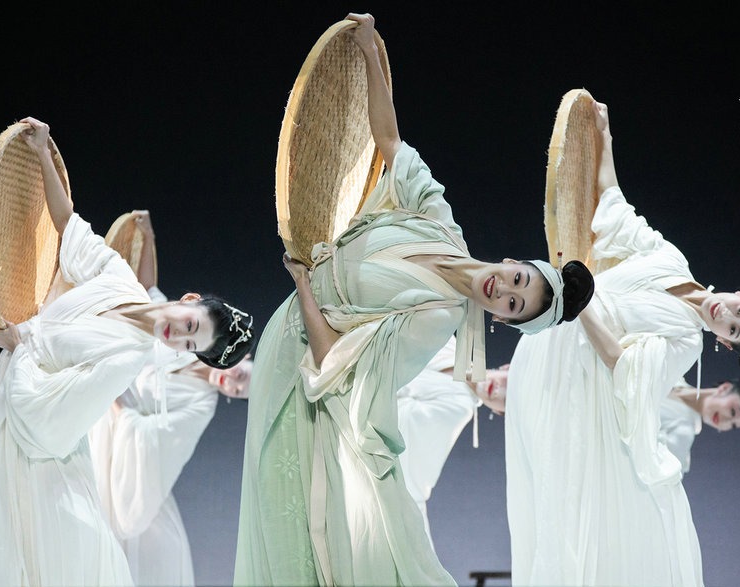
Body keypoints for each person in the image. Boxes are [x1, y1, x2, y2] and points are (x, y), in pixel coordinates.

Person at [233, 13, 594, 587]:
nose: (505, 290)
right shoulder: (442, 225)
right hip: (292, 324)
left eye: (514, 306)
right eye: (519, 280)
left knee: (288, 530)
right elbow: (390, 143)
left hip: (299, 360)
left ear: (502, 321)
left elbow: (337, 369)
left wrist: (303, 284)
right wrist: (368, 51)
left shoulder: (437, 318)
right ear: (513, 261)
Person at [505, 100, 740, 587]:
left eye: (734, 331)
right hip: (549, 340)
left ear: (726, 345)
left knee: (559, 512)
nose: (727, 317)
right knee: (541, 494)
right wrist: (605, 134)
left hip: (574, 376)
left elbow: (620, 363)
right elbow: (614, 206)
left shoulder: (686, 343)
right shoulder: (672, 261)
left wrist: (580, 304)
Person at [0, 116, 255, 587]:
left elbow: (51, 425)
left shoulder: (128, 360)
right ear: (187, 301)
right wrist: (42, 152)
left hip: (32, 453)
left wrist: (24, 344)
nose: (177, 337)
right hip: (9, 400)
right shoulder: (120, 279)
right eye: (189, 325)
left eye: (188, 344)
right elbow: (68, 226)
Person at [89, 209, 251, 586]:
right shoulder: (186, 340)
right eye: (241, 376)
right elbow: (149, 294)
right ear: (235, 363)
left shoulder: (201, 403)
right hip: (98, 401)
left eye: (238, 392)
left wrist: (112, 399)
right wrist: (148, 237)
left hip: (111, 420)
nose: (233, 384)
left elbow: (153, 442)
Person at [396, 335, 508, 550]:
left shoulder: (459, 406)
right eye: (508, 382)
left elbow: (399, 424)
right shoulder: (450, 343)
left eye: (505, 400)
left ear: (498, 411)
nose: (499, 390)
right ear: (506, 367)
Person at [660, 377, 740, 474]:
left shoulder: (682, 432)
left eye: (733, 425)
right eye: (733, 412)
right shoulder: (674, 374)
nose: (726, 422)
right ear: (725, 388)